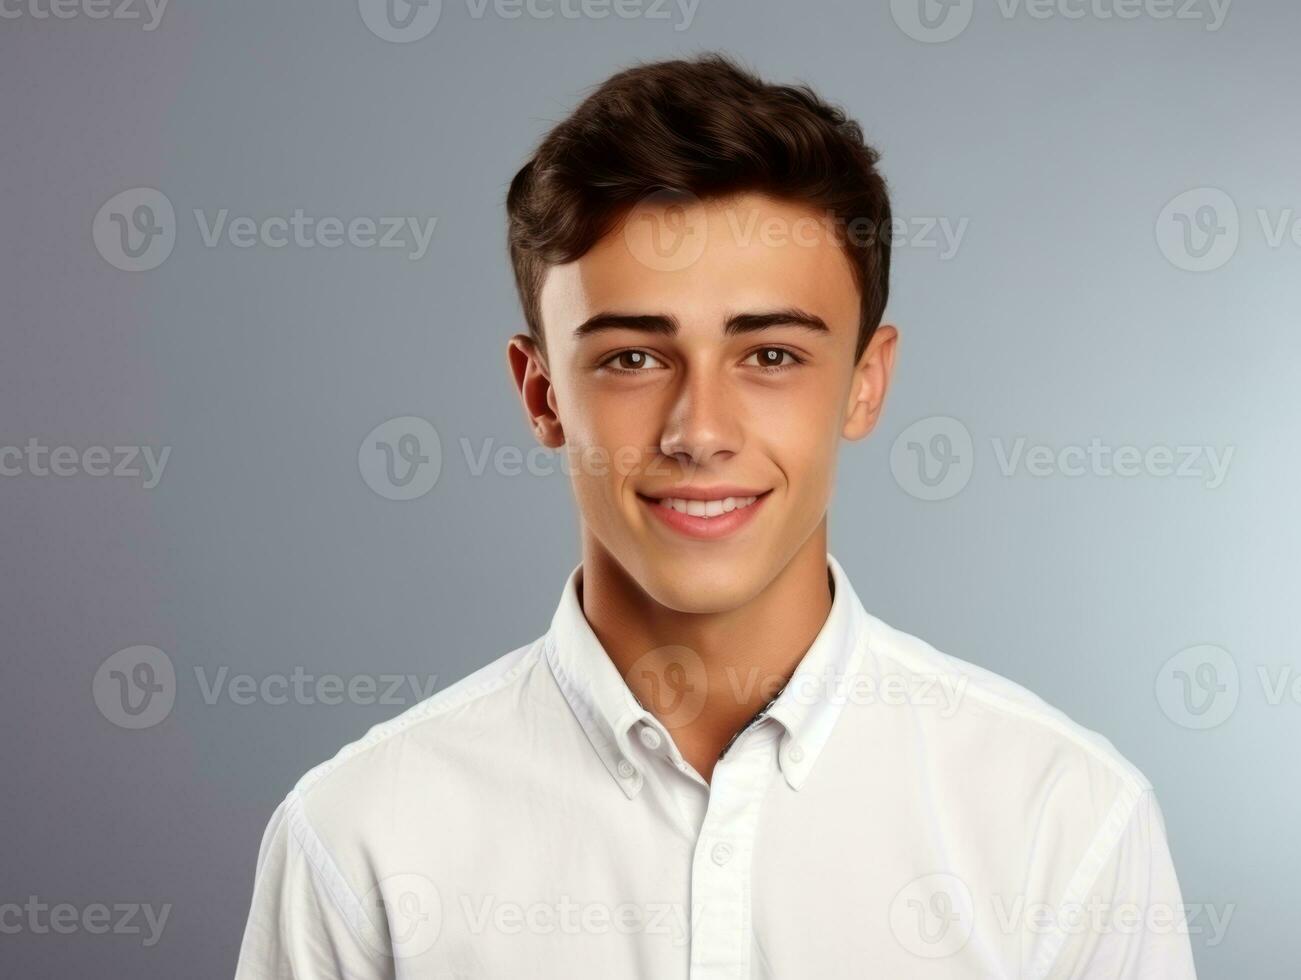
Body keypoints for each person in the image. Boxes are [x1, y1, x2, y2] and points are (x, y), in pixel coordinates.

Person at [235, 53, 1198, 979]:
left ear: (864, 387)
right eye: (631, 357)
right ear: (540, 394)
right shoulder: (358, 839)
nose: (699, 431)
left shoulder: (1062, 821)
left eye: (771, 355)